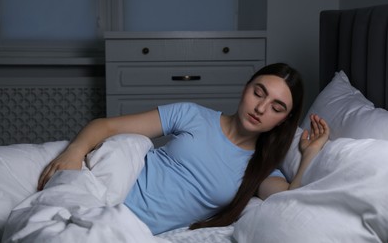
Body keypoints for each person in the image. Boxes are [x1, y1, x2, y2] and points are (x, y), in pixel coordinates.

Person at [37, 63, 329, 234]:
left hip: (129, 229)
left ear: (284, 121)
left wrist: (310, 153)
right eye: (258, 93)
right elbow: (108, 127)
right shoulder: (192, 115)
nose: (261, 108)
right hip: (104, 188)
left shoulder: (260, 169)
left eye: (276, 107)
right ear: (246, 87)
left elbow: (291, 200)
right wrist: (74, 151)